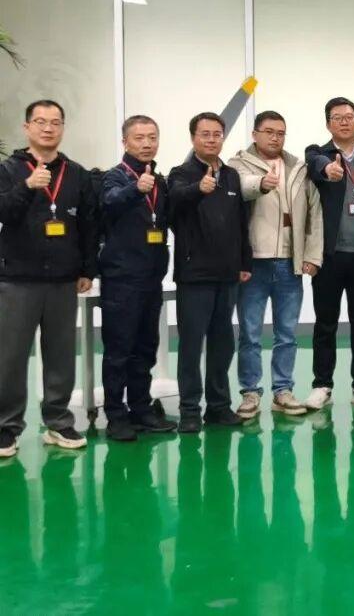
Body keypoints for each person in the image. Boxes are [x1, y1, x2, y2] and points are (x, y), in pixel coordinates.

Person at [0, 100, 97, 457]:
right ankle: (6, 427)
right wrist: (27, 186)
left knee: (60, 354)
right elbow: (4, 212)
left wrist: (87, 269)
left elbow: (88, 224)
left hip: (62, 280)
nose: (48, 128)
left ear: (62, 128)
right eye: (40, 121)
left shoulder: (77, 174)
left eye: (55, 122)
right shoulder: (8, 170)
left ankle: (57, 421)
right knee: (10, 356)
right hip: (17, 279)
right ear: (27, 127)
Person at [230, 111, 324, 420]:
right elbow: (241, 188)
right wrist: (261, 183)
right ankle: (250, 392)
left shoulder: (298, 168)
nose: (275, 137)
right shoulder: (238, 165)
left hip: (288, 262)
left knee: (287, 333)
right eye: (269, 131)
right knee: (250, 333)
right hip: (252, 264)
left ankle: (283, 391)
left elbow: (314, 213)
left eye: (280, 133)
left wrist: (312, 255)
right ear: (255, 134)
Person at [168, 112, 252, 434]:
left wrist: (244, 262)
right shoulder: (180, 174)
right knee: (191, 345)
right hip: (195, 275)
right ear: (193, 138)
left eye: (217, 134)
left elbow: (241, 222)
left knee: (222, 343)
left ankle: (219, 406)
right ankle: (190, 409)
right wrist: (197, 189)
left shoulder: (230, 175)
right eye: (205, 134)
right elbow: (173, 203)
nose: (212, 139)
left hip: (227, 274)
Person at [99, 114, 176, 441]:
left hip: (151, 278)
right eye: (139, 138)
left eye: (152, 137)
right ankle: (116, 415)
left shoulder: (160, 180)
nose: (147, 144)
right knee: (119, 351)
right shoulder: (114, 177)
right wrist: (134, 189)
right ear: (125, 142)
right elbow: (109, 202)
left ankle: (141, 409)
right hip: (122, 279)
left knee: (146, 347)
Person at [304, 98, 354, 411]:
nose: (344, 122)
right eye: (337, 117)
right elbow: (314, 162)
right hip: (330, 255)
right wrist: (328, 168)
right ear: (328, 124)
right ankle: (322, 385)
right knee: (325, 323)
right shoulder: (319, 154)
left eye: (349, 116)